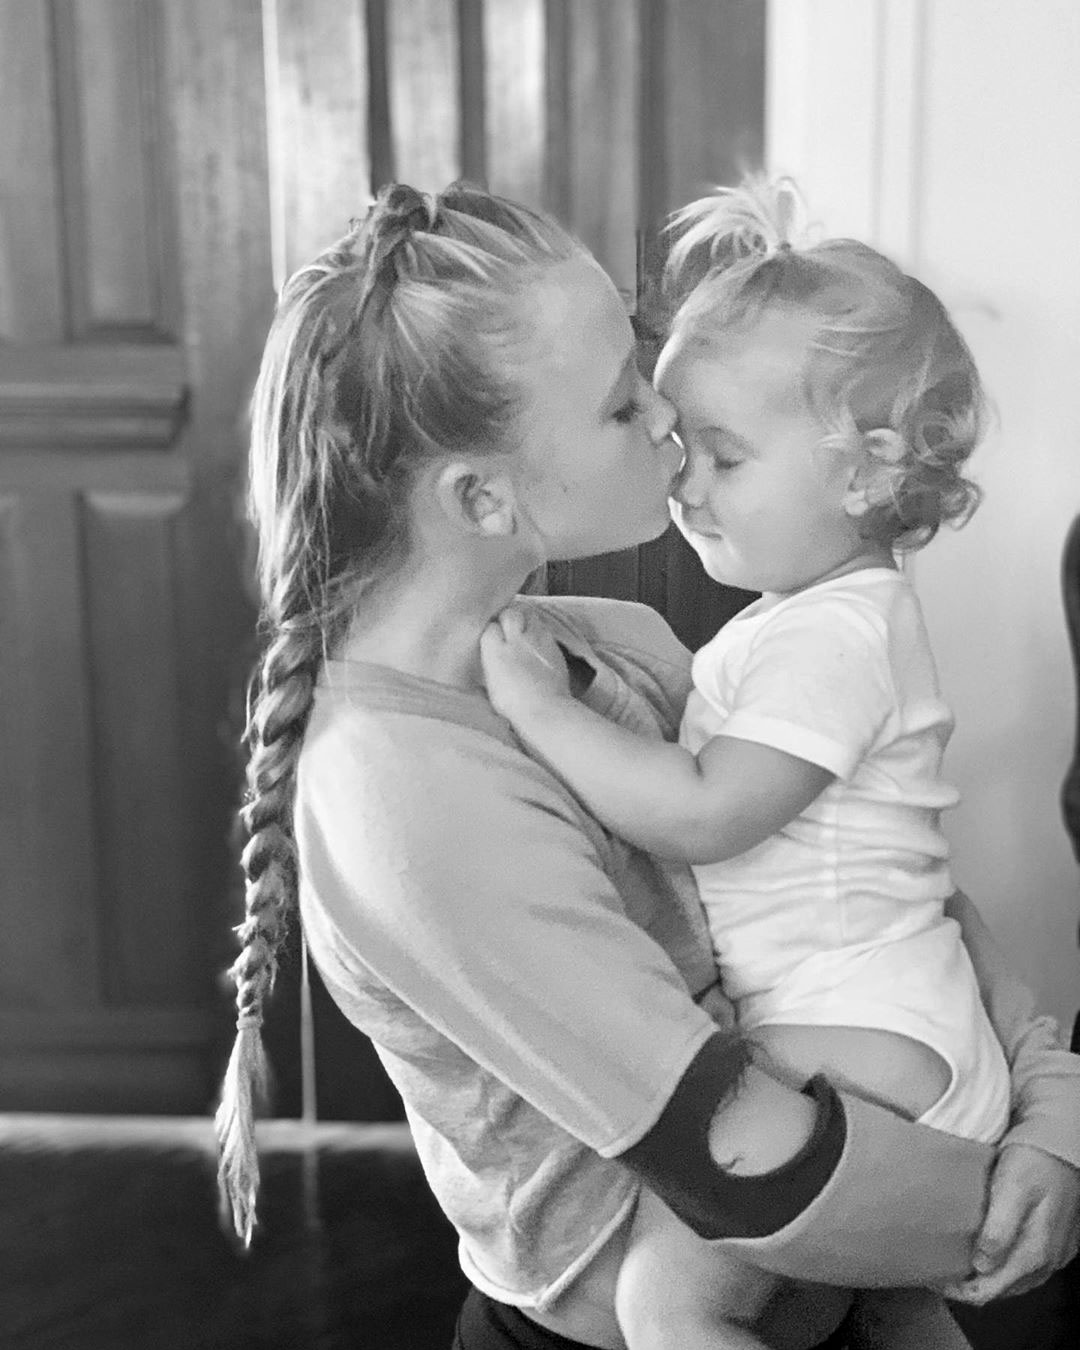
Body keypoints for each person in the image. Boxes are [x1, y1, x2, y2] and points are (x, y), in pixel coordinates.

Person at [214, 180, 1080, 1350]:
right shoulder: (403, 798)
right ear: (482, 496)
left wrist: (1056, 1112)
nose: (670, 416)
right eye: (626, 402)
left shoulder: (617, 647)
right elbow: (740, 1161)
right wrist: (1007, 1187)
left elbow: (891, 896)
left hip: (846, 1261)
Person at [477, 176, 1024, 1349]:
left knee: (666, 1300)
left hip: (867, 1034)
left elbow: (706, 813)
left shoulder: (837, 638)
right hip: (888, 1035)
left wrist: (540, 712)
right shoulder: (807, 624)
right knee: (892, 1309)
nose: (685, 482)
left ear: (865, 472)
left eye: (724, 457)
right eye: (681, 446)